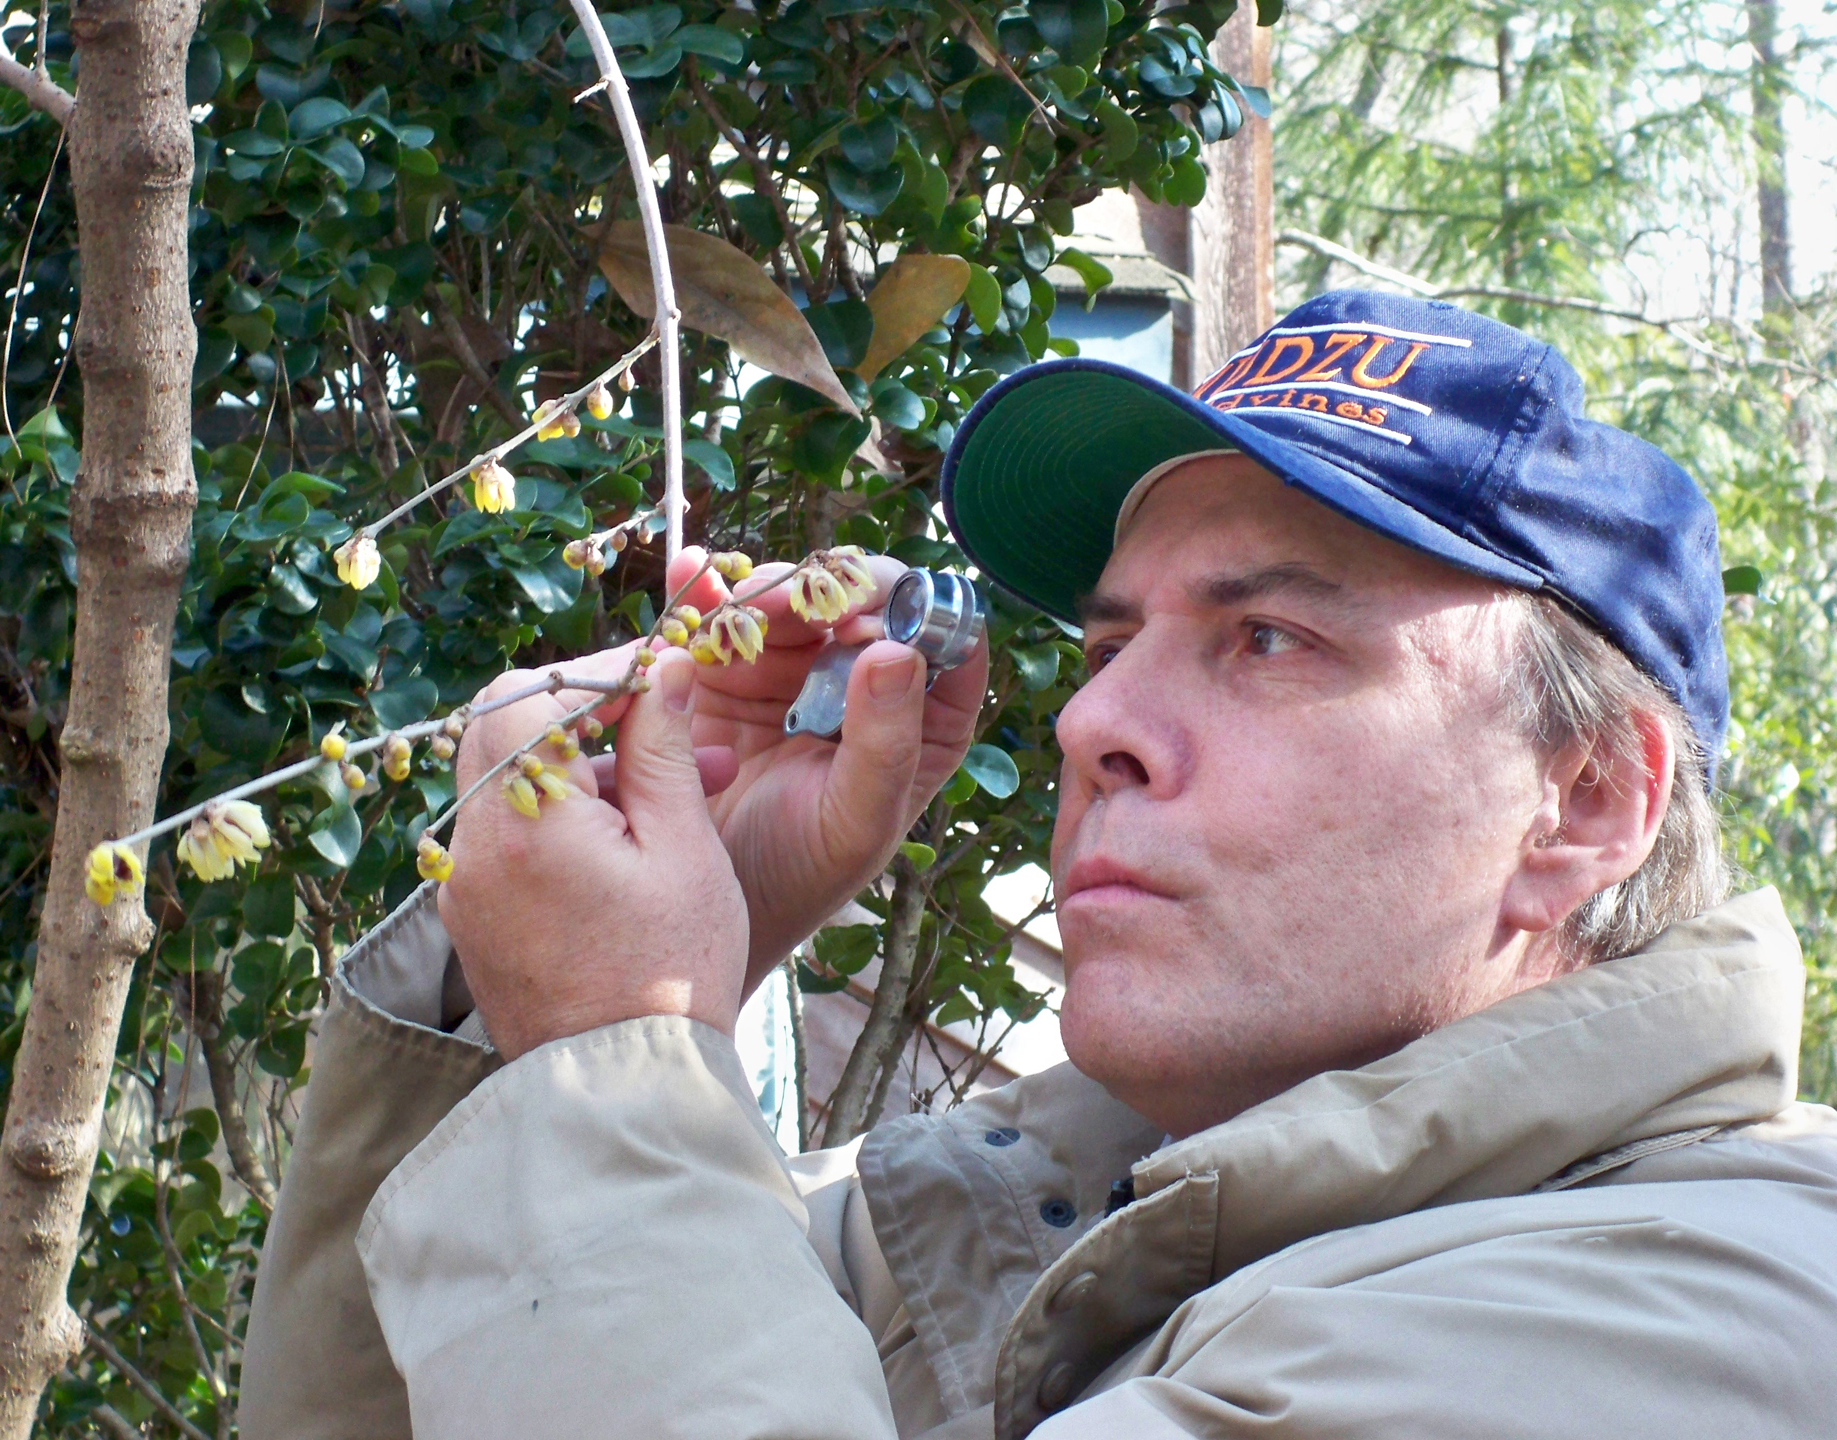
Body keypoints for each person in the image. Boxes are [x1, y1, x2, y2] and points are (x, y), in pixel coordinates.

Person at [239, 291, 1837, 1440]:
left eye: (1267, 638)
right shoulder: (1016, 1221)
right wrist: (517, 1026)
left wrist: (612, 1056)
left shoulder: (1714, 1309)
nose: (1093, 722)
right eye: (1113, 639)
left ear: (1582, 805)